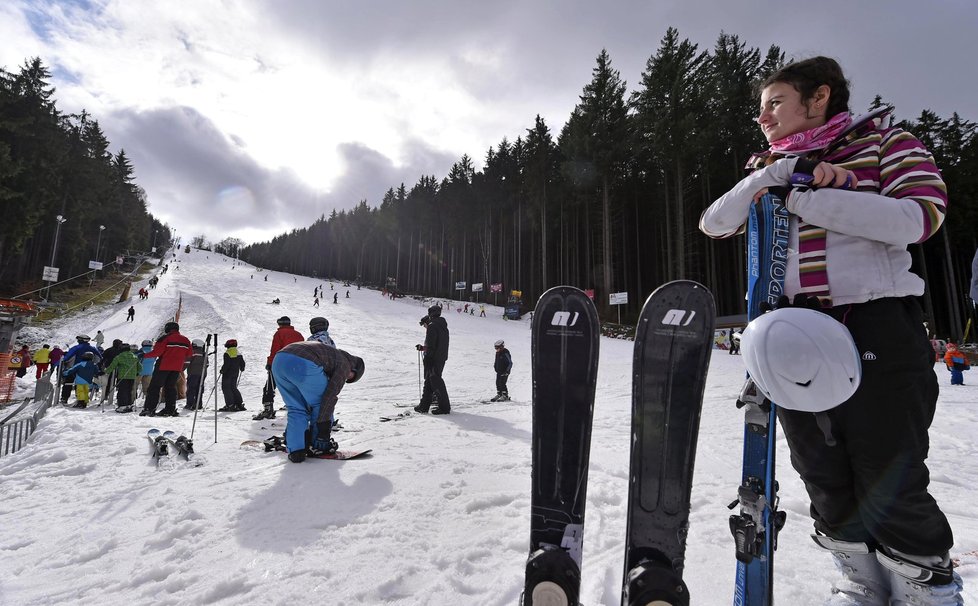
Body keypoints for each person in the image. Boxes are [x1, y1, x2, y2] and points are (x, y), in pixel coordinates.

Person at [699, 57, 960, 602]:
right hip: (793, 333)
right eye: (760, 108)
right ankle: (862, 584)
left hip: (874, 321)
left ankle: (923, 590)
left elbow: (918, 219)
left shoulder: (886, 143)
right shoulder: (770, 164)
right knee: (820, 469)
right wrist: (773, 175)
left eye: (775, 102)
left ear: (819, 97)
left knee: (888, 468)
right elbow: (715, 223)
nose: (763, 116)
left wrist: (804, 198)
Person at [270, 341, 364, 463]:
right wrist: (323, 433)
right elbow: (329, 398)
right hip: (303, 362)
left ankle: (296, 450)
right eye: (350, 377)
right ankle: (318, 444)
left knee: (296, 408)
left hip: (279, 361)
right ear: (354, 368)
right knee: (321, 404)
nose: (346, 378)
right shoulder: (345, 364)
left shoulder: (332, 355)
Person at [254, 316, 304, 420]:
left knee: (269, 386)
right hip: (297, 365)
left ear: (280, 324)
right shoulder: (298, 334)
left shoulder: (279, 333)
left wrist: (270, 363)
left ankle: (268, 410)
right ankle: (298, 408)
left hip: (281, 364)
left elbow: (275, 350)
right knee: (294, 387)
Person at [140, 322, 194, 417]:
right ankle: (170, 409)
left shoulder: (165, 338)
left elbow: (157, 352)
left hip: (163, 366)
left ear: (167, 328)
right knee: (170, 387)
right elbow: (189, 354)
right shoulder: (186, 340)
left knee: (154, 387)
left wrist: (144, 355)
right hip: (176, 368)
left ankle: (149, 409)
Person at [414, 305, 451, 414]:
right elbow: (437, 344)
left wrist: (429, 357)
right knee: (430, 382)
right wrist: (424, 348)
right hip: (440, 358)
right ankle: (424, 406)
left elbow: (431, 345)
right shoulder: (443, 326)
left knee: (436, 381)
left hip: (433, 358)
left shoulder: (433, 326)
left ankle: (444, 407)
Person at [59, 335, 102, 404]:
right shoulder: (93, 349)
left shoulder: (76, 348)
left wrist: (64, 367)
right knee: (83, 385)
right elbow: (99, 358)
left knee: (68, 383)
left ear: (80, 340)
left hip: (75, 367)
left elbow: (67, 358)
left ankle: (65, 398)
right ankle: (81, 399)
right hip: (87, 370)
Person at [105, 344, 140, 413]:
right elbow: (140, 368)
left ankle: (122, 405)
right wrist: (137, 372)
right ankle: (129, 404)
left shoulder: (119, 357)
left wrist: (105, 371)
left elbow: (112, 366)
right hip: (132, 377)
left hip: (123, 376)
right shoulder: (135, 357)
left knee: (122, 391)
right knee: (129, 390)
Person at [219, 339, 246, 412]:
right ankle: (239, 404)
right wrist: (242, 368)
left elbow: (226, 364)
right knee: (233, 388)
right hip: (235, 373)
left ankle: (230, 405)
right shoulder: (238, 352)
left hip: (227, 374)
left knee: (226, 388)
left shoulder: (227, 353)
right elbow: (242, 363)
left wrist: (222, 370)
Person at [184, 338, 209, 410]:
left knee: (191, 388)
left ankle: (190, 404)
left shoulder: (192, 352)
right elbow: (207, 364)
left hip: (193, 373)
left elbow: (187, 362)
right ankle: (199, 404)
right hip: (202, 374)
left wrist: (181, 369)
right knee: (200, 389)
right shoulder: (204, 353)